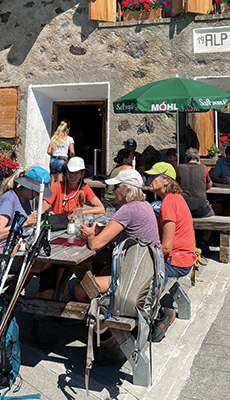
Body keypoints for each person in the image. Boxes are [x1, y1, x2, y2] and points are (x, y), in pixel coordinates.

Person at [74, 169, 160, 302]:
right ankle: (106, 306)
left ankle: (94, 319)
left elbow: (95, 245)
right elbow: (123, 232)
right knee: (105, 270)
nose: (113, 191)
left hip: (136, 275)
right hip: (150, 268)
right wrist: (101, 230)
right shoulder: (145, 205)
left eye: (116, 187)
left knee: (80, 288)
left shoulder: (127, 210)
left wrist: (90, 235)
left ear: (127, 190)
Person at [146, 162, 197, 342]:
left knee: (138, 287)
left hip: (176, 261)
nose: (149, 179)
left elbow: (166, 247)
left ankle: (160, 316)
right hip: (185, 257)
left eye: (153, 176)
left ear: (166, 180)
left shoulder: (168, 203)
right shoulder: (174, 198)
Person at [0, 166, 52, 274]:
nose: (38, 196)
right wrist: (25, 222)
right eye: (38, 193)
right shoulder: (9, 199)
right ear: (30, 188)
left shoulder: (25, 200)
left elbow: (24, 228)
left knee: (51, 270)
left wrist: (41, 221)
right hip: (6, 255)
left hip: (21, 250)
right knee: (48, 271)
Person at [177, 147, 214, 255]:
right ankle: (204, 241)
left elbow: (177, 184)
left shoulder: (179, 168)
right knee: (213, 214)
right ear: (198, 158)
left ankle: (187, 241)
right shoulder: (204, 168)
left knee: (180, 217)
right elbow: (209, 185)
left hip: (184, 208)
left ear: (185, 159)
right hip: (201, 209)